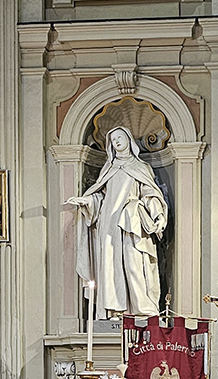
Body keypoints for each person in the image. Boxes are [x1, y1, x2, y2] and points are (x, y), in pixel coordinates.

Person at [69, 126, 168, 317]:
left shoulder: (141, 167)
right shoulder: (109, 169)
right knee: (110, 267)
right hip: (109, 225)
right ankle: (115, 311)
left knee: (134, 264)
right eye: (113, 140)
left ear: (128, 139)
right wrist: (86, 201)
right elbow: (100, 197)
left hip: (132, 222)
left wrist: (158, 215)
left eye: (120, 137)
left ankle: (142, 310)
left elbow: (150, 194)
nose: (117, 142)